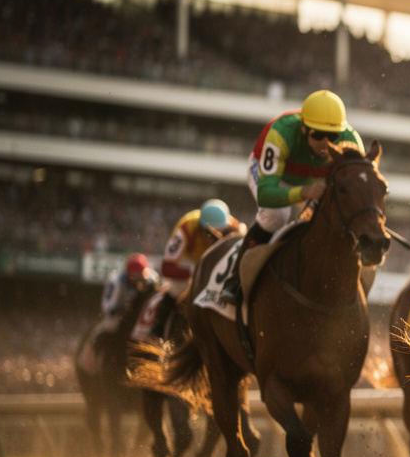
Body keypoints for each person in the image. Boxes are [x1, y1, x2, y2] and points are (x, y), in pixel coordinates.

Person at [221, 90, 364, 303]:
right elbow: (266, 195)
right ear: (304, 128)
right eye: (317, 135)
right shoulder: (281, 132)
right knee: (275, 216)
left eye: (332, 136)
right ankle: (234, 280)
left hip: (314, 179)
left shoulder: (350, 140)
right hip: (273, 177)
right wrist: (304, 192)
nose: (325, 143)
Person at [154, 199, 244, 333]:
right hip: (190, 262)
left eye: (219, 234)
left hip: (211, 264)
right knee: (176, 289)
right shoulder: (186, 228)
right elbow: (166, 268)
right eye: (209, 234)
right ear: (200, 228)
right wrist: (195, 271)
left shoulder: (235, 227)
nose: (213, 240)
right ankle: (158, 329)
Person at [100, 253, 159, 332]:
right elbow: (109, 307)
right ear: (129, 274)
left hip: (136, 313)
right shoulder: (117, 282)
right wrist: (120, 311)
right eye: (135, 276)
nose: (138, 279)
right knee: (111, 326)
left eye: (140, 275)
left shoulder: (151, 279)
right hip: (118, 312)